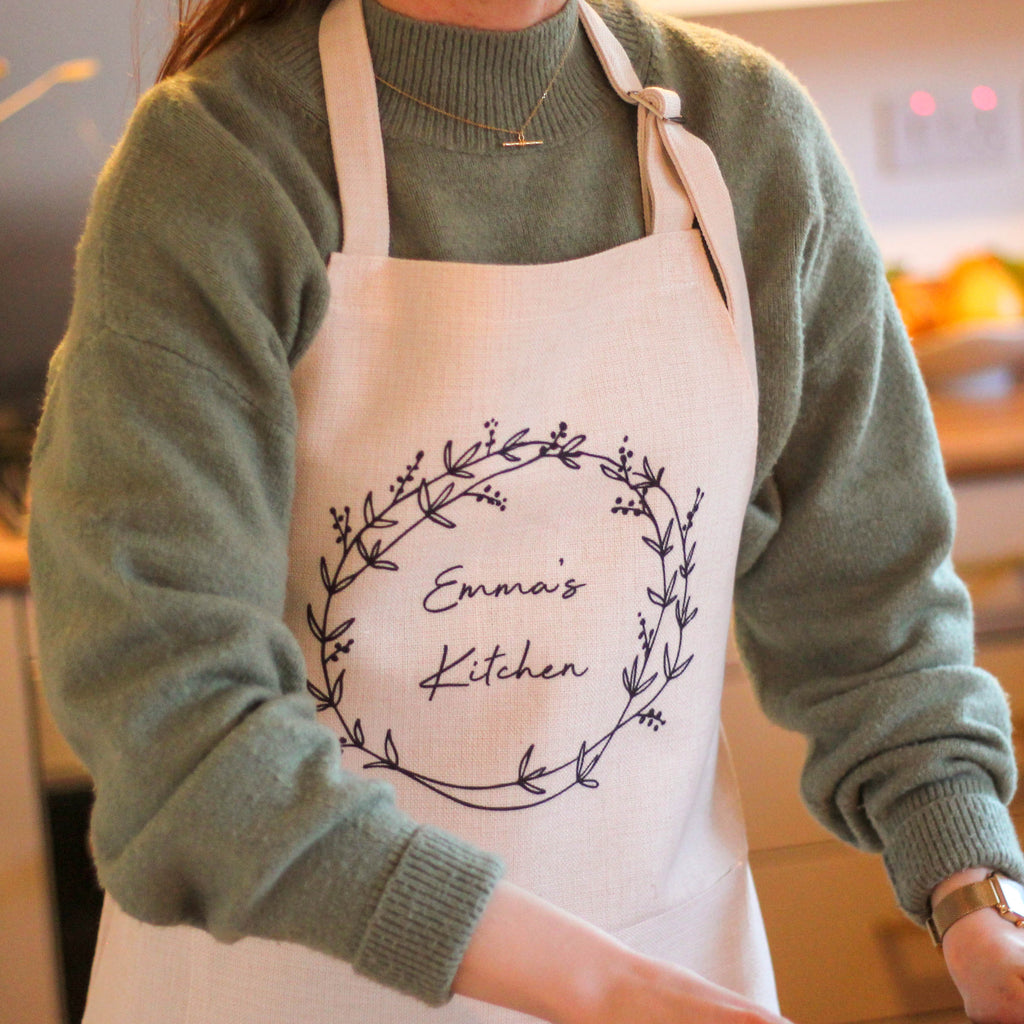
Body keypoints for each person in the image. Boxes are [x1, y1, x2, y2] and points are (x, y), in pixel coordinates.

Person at [27, 0, 1024, 1021]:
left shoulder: (743, 132)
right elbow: (174, 719)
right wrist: (597, 987)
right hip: (292, 989)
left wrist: (977, 898)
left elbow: (873, 606)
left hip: (671, 967)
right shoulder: (218, 157)